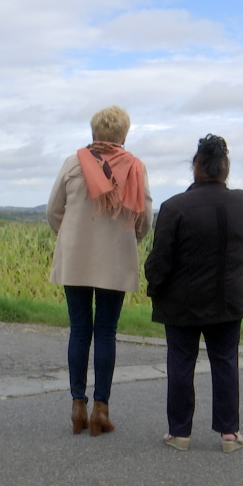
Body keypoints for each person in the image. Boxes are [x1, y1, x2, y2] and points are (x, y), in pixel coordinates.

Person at [47, 105, 152, 436]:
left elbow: (53, 210)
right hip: (116, 259)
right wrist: (128, 239)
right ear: (123, 135)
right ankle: (100, 410)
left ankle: (77, 406)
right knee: (106, 332)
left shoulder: (72, 163)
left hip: (75, 257)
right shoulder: (135, 167)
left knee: (79, 330)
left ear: (94, 133)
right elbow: (145, 218)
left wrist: (72, 236)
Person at [144, 134, 243, 453]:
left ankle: (179, 434)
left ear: (195, 167)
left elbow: (159, 258)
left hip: (182, 302)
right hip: (227, 299)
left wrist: (155, 288)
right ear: (225, 168)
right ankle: (229, 435)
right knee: (225, 363)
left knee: (180, 363)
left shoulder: (174, 206)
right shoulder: (241, 202)